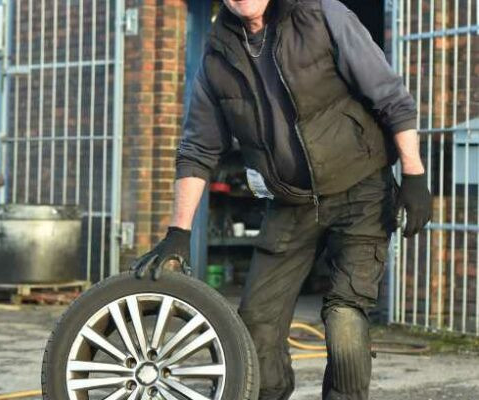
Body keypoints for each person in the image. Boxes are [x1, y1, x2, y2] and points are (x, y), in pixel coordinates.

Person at [131, 0, 432, 399]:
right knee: (256, 320)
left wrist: (413, 175)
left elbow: (391, 96)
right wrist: (178, 231)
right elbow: (198, 148)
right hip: (291, 201)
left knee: (344, 317)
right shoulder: (219, 55)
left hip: (361, 188)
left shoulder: (322, 15)